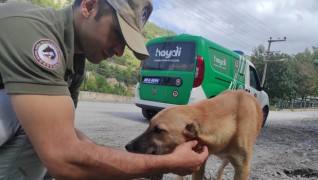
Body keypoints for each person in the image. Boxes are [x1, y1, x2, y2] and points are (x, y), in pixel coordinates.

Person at [0, 0, 209, 179]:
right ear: (89, 6)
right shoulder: (34, 33)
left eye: (126, 44)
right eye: (117, 33)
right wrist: (168, 163)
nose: (119, 51)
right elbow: (63, 156)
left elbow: (64, 131)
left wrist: (125, 162)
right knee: (33, 126)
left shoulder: (74, 60)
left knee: (44, 125)